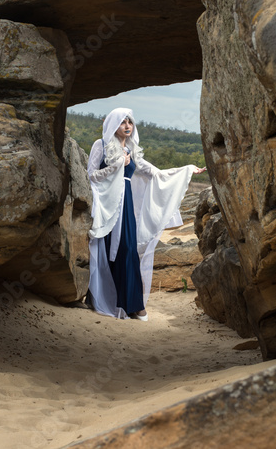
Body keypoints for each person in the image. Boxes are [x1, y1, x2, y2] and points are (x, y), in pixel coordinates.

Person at [86, 107, 206, 321]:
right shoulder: (101, 145)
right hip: (107, 205)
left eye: (130, 122)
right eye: (123, 122)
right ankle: (111, 301)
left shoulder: (132, 152)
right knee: (110, 250)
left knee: (129, 250)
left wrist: (187, 169)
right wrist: (115, 166)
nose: (127, 126)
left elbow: (156, 173)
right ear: (114, 124)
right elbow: (91, 175)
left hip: (126, 207)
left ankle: (132, 304)